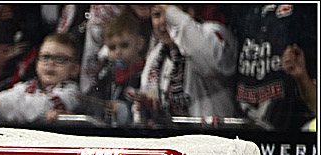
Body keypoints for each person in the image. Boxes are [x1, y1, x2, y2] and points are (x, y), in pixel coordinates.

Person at [136, 5, 237, 125]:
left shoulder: (211, 33)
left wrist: (172, 12)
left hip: (215, 138)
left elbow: (205, 58)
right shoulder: (156, 55)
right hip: (176, 140)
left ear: (189, 13)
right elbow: (146, 97)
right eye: (157, 15)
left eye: (169, 14)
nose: (163, 21)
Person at [233, 3, 317, 131]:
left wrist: (301, 76)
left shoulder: (304, 12)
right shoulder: (244, 10)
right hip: (244, 125)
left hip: (291, 130)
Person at [0, 32, 81, 124]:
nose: (50, 63)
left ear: (74, 69)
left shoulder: (71, 92)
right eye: (45, 57)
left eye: (60, 59)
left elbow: (41, 107)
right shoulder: (27, 86)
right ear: (36, 64)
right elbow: (10, 96)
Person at [85, 9, 147, 126]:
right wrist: (102, 106)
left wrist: (123, 110)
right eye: (112, 47)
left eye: (124, 45)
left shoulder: (145, 73)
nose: (118, 52)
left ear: (139, 43)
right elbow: (94, 96)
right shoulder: (107, 72)